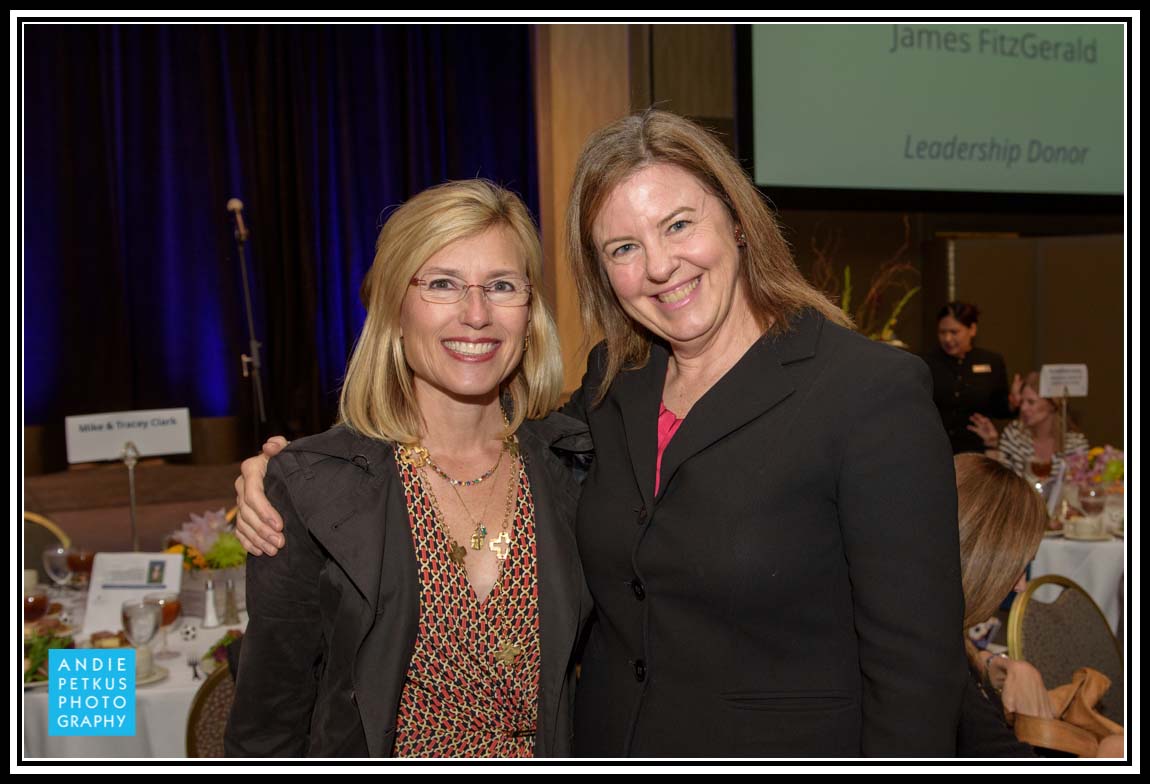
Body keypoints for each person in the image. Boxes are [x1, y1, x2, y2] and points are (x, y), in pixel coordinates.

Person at [235, 109, 966, 757]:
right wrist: (284, 469)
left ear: (738, 221)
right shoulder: (614, 392)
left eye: (678, 224)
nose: (658, 265)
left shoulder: (865, 390)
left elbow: (920, 672)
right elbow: (270, 718)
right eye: (621, 247)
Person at [224, 180, 592, 757]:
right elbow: (269, 724)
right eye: (443, 284)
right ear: (396, 308)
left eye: (501, 285)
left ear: (529, 311)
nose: (476, 314)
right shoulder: (314, 489)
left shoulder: (575, 465)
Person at [953, 453, 1123, 758]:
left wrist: (991, 664)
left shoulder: (938, 643)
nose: (1020, 585)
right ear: (982, 562)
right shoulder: (950, 687)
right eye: (1019, 568)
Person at [923, 302, 1021, 455]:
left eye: (954, 332)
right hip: (936, 448)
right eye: (942, 332)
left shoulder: (991, 361)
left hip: (975, 448)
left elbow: (997, 407)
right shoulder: (927, 362)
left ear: (972, 329)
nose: (947, 339)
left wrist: (1011, 404)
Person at [984, 371, 1089, 483]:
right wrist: (991, 446)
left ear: (1052, 405)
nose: (1023, 408)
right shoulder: (1014, 434)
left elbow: (1079, 487)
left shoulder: (1075, 444)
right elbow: (1000, 483)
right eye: (1022, 402)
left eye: (1031, 402)